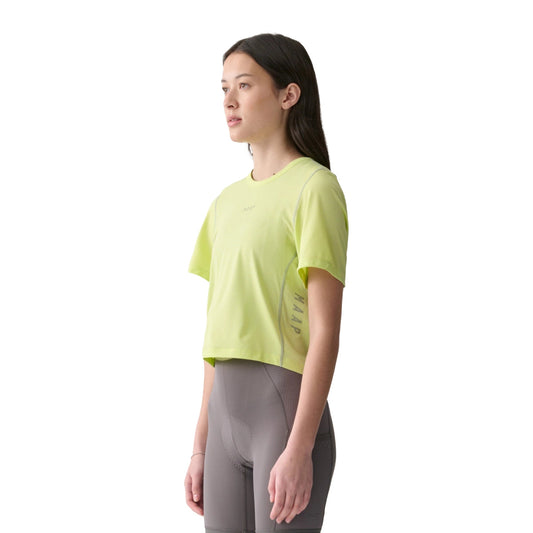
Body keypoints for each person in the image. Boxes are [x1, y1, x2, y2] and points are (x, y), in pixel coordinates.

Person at [184, 33, 348, 533]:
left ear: (288, 95)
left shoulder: (315, 188)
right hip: (223, 420)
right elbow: (218, 336)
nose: (229, 101)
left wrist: (300, 447)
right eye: (224, 88)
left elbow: (325, 330)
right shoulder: (224, 204)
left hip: (285, 418)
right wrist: (199, 445)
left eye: (245, 85)